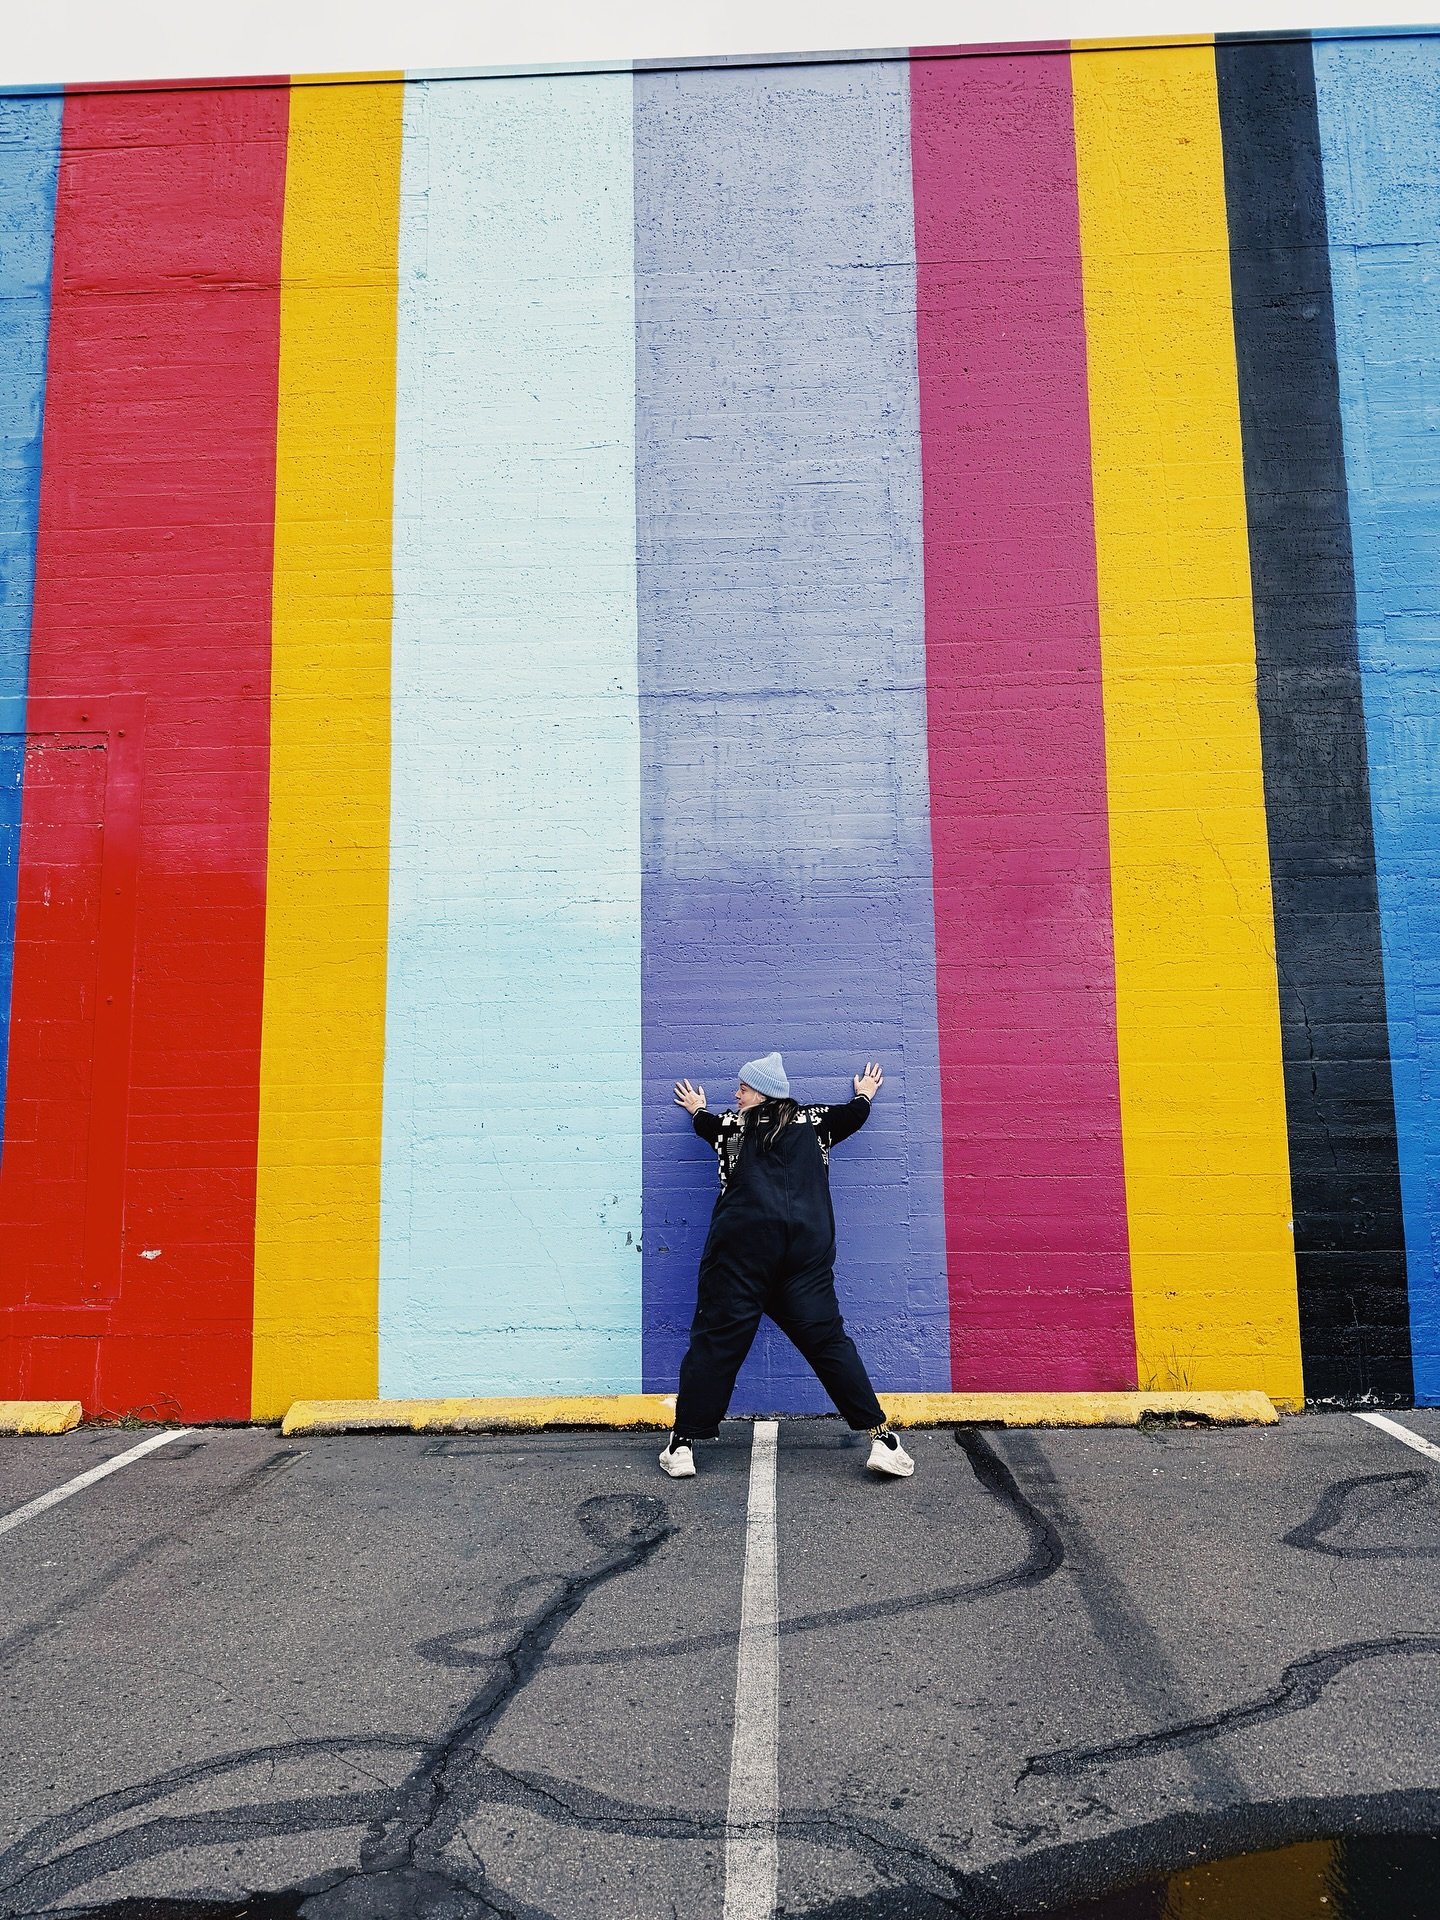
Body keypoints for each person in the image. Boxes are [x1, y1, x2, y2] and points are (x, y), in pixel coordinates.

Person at [659, 1050, 915, 1481]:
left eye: (743, 1089)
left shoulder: (733, 1126)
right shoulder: (816, 1121)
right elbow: (853, 1116)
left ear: (762, 1094)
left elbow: (707, 1125)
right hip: (804, 1260)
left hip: (740, 1257)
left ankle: (682, 1445)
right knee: (829, 1345)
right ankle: (883, 1439)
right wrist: (865, 1095)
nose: (736, 1095)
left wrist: (697, 1109)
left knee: (716, 1344)